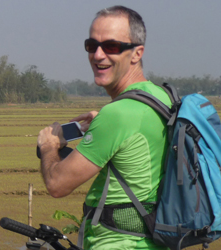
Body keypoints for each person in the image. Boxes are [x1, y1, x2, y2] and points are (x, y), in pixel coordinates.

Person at [37, 6, 171, 249]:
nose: (98, 55)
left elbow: (57, 184)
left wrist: (49, 146)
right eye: (91, 45)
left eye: (111, 47)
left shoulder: (118, 115)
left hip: (117, 242)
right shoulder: (161, 97)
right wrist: (103, 122)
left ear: (136, 53)